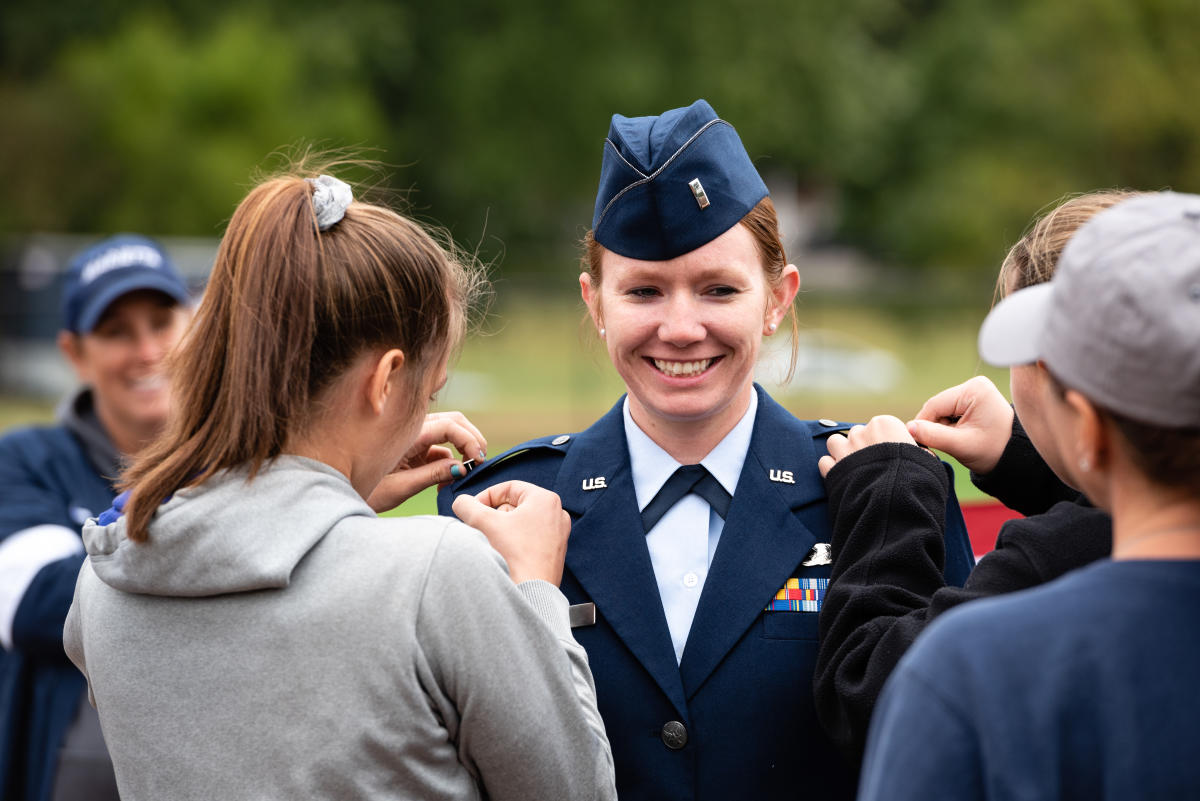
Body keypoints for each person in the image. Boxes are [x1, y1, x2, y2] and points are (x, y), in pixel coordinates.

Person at [438, 99, 975, 800]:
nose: (682, 327)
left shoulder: (883, 495)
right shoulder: (501, 511)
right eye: (644, 291)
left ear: (778, 299)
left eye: (718, 288)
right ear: (595, 304)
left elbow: (956, 749)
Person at [62, 170, 616, 801]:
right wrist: (537, 587)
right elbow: (575, 788)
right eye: (427, 394)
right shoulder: (436, 573)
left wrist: (334, 497)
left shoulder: (105, 581)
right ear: (384, 381)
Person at [844, 190, 1200, 799]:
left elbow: (866, 684)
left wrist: (888, 497)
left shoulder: (967, 668)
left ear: (1087, 425)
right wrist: (1027, 452)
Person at [0, 234, 191, 801]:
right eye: (115, 332)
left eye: (161, 322)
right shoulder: (26, 459)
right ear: (73, 353)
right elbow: (32, 603)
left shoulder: (254, 455)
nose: (146, 350)